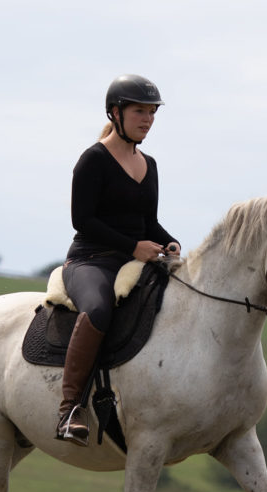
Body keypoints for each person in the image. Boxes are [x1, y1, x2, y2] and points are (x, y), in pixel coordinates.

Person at [55, 74, 181, 446]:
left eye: (152, 113)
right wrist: (133, 247)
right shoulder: (93, 160)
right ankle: (69, 409)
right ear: (115, 113)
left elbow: (149, 223)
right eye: (139, 111)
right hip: (90, 261)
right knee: (98, 308)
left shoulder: (150, 164)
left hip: (134, 258)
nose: (147, 119)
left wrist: (168, 241)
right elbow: (83, 220)